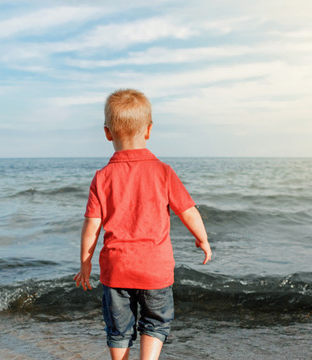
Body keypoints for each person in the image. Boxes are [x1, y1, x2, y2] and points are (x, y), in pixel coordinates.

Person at [73, 89, 212, 360]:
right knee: (155, 322)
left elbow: (92, 226)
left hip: (116, 270)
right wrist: (203, 239)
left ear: (107, 133)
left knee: (118, 328)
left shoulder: (102, 177)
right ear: (148, 131)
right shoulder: (163, 172)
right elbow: (188, 211)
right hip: (154, 270)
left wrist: (85, 263)